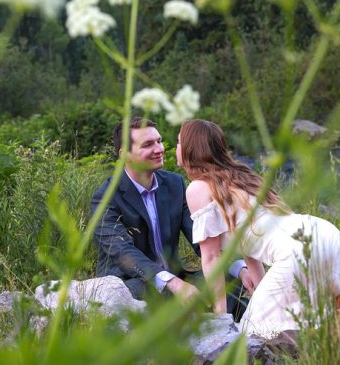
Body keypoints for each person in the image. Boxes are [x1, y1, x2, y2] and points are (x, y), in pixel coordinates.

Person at [176, 119, 340, 339]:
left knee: (253, 335)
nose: (176, 148)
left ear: (192, 149)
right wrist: (261, 293)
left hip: (295, 251)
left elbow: (211, 257)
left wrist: (221, 320)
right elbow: (251, 244)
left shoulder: (198, 188)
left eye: (179, 142)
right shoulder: (243, 176)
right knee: (318, 321)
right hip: (324, 232)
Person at [90, 117, 251, 317]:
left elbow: (203, 237)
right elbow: (123, 253)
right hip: (134, 283)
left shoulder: (174, 184)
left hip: (178, 278)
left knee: (227, 276)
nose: (159, 149)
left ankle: (222, 315)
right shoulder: (105, 197)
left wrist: (242, 269)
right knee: (141, 293)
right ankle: (219, 313)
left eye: (158, 141)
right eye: (148, 145)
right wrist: (173, 283)